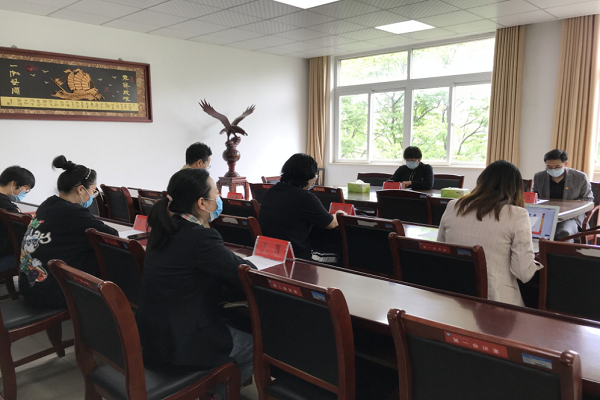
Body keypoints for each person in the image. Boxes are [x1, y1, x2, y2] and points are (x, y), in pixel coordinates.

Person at [136, 168, 254, 399]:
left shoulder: (163, 229)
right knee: (254, 345)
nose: (219, 199)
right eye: (216, 194)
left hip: (154, 336)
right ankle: (217, 393)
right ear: (202, 203)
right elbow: (246, 274)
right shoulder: (200, 237)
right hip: (184, 343)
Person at [18, 156, 118, 309]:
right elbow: (112, 235)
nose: (93, 195)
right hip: (50, 293)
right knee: (110, 257)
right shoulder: (74, 213)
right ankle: (115, 308)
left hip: (30, 286)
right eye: (93, 191)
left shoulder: (48, 204)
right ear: (80, 189)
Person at [437, 160, 541, 306]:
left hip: (454, 295)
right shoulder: (517, 214)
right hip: (495, 301)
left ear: (481, 181)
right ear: (516, 188)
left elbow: (441, 248)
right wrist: (536, 261)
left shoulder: (454, 205)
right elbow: (523, 274)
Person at [259, 153, 344, 260]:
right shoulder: (305, 197)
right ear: (308, 177)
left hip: (269, 251)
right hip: (295, 256)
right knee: (339, 257)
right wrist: (338, 214)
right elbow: (331, 224)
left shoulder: (271, 191)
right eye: (315, 175)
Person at [532, 149, 593, 239]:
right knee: (527, 230)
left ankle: (563, 249)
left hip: (570, 217)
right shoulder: (539, 176)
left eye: (557, 167)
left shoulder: (580, 177)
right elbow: (534, 197)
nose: (553, 169)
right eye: (549, 167)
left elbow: (588, 199)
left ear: (565, 164)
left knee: (564, 232)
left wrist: (567, 206)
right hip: (545, 216)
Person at [0, 166, 35, 272]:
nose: (26, 192)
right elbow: (23, 229)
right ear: (13, 183)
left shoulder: (5, 202)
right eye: (26, 189)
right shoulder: (4, 204)